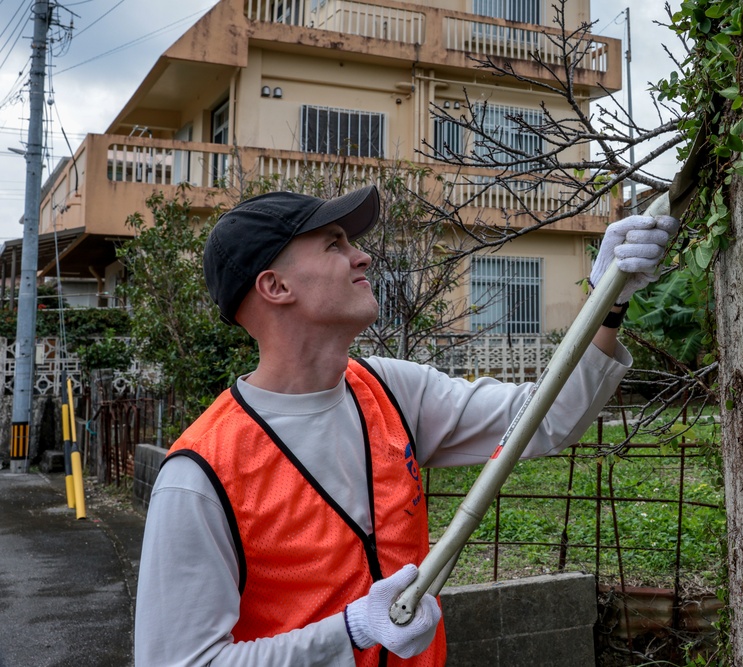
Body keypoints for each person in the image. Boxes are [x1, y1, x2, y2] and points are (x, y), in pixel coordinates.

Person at [134, 184, 679, 667]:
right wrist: (350, 632)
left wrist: (607, 300)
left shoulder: (391, 391)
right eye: (333, 244)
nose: (362, 255)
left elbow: (546, 418)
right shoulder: (201, 474)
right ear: (275, 286)